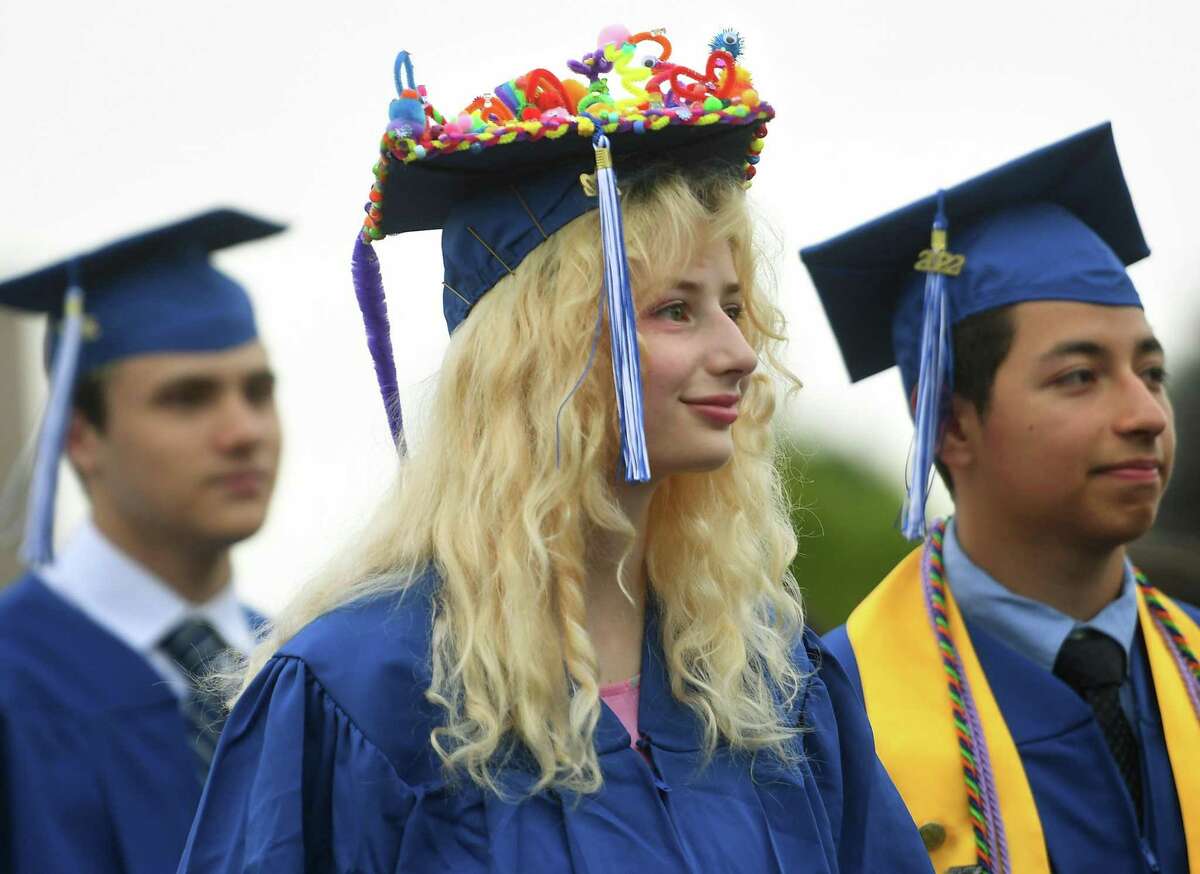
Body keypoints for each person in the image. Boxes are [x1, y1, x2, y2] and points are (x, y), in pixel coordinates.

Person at [177, 26, 933, 873]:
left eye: (733, 305)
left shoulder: (769, 683)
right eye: (675, 310)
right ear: (542, 354)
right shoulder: (361, 691)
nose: (739, 353)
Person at [802, 124, 1200, 874]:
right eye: (1079, 376)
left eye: (1151, 373)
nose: (1146, 414)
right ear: (949, 423)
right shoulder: (828, 720)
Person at [0, 209, 285, 873]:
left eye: (258, 390)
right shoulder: (14, 687)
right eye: (188, 398)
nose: (244, 430)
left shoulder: (304, 669)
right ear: (78, 437)